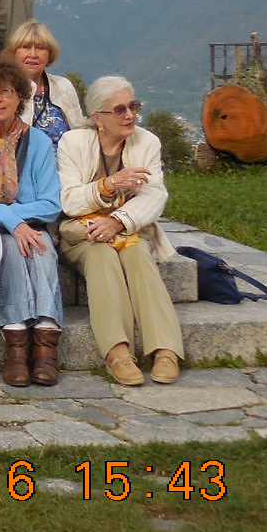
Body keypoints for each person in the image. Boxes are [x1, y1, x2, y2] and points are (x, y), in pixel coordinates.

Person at [58, 76, 184, 386]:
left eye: (133, 106)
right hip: (82, 231)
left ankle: (165, 349)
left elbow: (156, 194)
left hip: (128, 229)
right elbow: (69, 200)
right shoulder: (73, 143)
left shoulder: (147, 142)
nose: (129, 115)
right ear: (98, 117)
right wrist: (109, 184)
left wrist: (118, 221)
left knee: (139, 256)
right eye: (119, 109)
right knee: (102, 256)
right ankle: (117, 351)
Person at [0, 55, 64, 387]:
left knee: (41, 246)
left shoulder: (39, 142)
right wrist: (14, 222)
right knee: (10, 248)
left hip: (33, 227)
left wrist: (16, 221)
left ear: (20, 96)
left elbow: (51, 204)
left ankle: (46, 347)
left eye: (4, 91)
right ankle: (17, 347)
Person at [0, 19, 86, 144]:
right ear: (14, 53)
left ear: (49, 54)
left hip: (65, 161)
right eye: (26, 47)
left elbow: (80, 130)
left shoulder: (63, 86)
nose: (33, 54)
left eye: (40, 48)